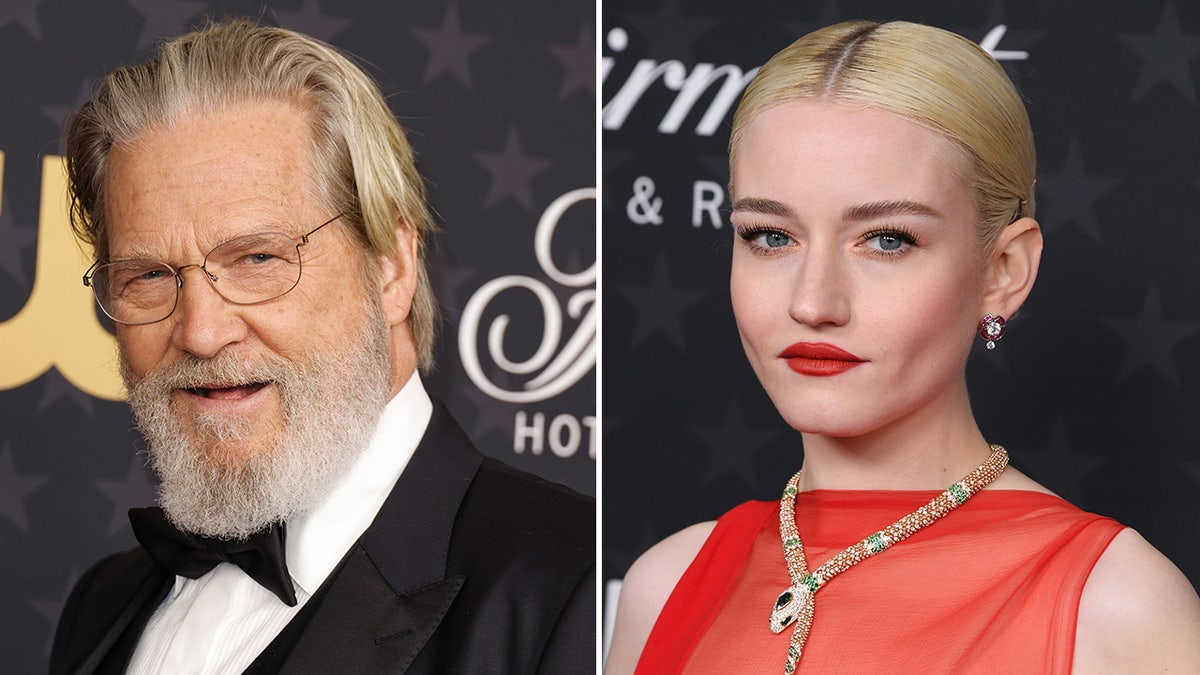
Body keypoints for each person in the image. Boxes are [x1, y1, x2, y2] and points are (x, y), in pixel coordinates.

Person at [605, 20, 1200, 674]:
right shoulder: (663, 585)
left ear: (1003, 269)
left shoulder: (1118, 609)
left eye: (887, 239)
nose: (813, 302)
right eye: (771, 236)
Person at [49, 19, 593, 675]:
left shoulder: (568, 592)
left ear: (393, 265)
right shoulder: (102, 605)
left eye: (256, 257)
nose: (200, 330)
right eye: (148, 276)